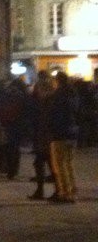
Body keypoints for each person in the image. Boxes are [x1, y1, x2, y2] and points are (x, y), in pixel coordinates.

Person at [48, 70, 79, 203]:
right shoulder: (73, 94)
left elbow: (55, 115)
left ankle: (65, 193)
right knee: (69, 163)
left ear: (58, 81)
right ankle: (72, 190)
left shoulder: (58, 95)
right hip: (72, 132)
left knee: (59, 165)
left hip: (60, 133)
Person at [27, 71, 54, 200]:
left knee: (43, 161)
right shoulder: (53, 91)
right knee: (46, 161)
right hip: (46, 132)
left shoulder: (46, 97)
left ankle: (43, 190)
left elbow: (34, 108)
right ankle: (55, 189)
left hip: (44, 132)